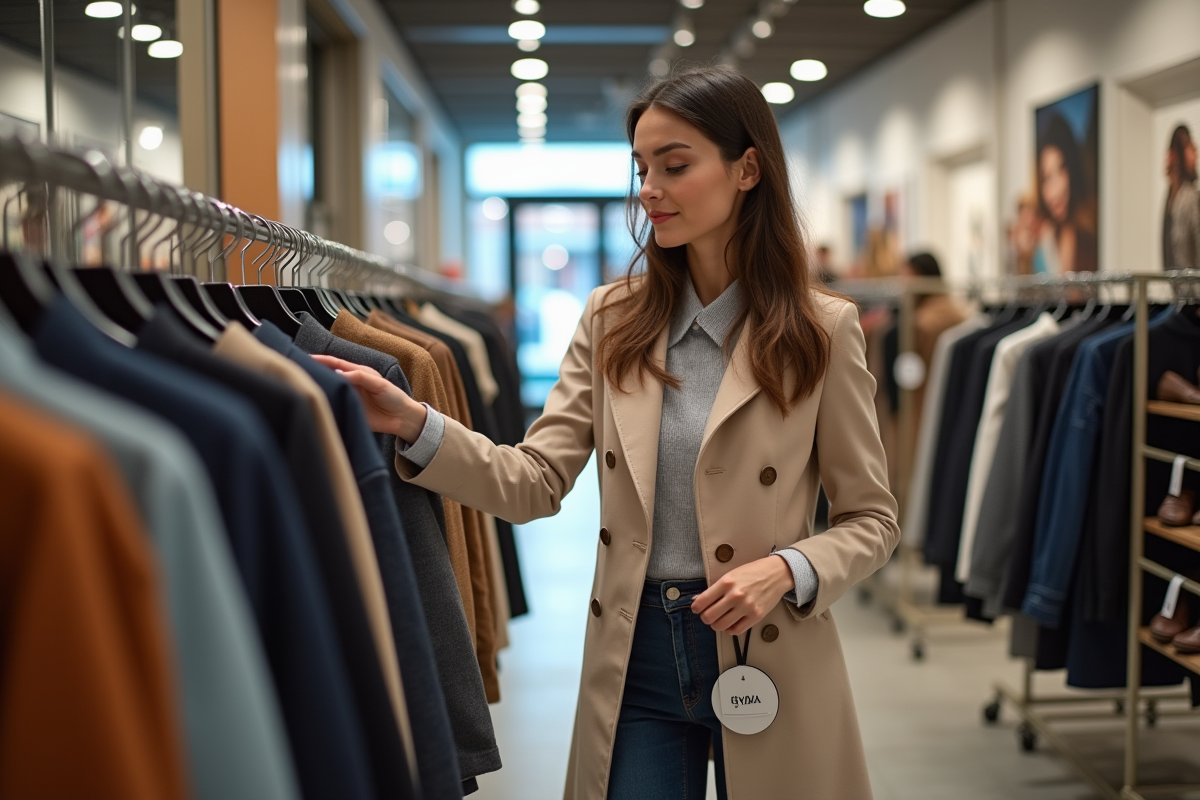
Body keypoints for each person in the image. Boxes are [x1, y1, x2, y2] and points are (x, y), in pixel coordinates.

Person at [317, 66, 898, 800]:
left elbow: (871, 520)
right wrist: (413, 421)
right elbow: (534, 480)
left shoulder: (822, 330)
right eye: (642, 168)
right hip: (638, 653)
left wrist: (786, 569)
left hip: (768, 645)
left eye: (675, 165)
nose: (648, 188)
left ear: (747, 168)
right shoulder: (612, 319)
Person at [900, 252, 965, 433]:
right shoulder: (959, 312)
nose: (902, 281)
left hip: (925, 402)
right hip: (958, 398)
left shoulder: (919, 323)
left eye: (907, 274)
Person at [1034, 112, 1098, 273]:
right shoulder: (1046, 238)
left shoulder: (1089, 231)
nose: (1054, 191)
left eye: (1061, 169)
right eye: (1046, 178)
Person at [1164, 124, 1200, 269]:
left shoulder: (1191, 196)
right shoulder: (1172, 197)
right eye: (1191, 147)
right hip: (1180, 285)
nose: (1196, 153)